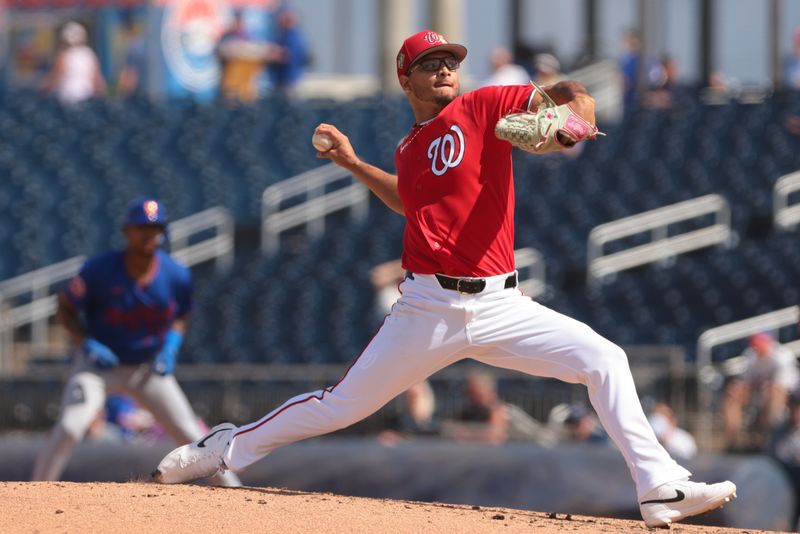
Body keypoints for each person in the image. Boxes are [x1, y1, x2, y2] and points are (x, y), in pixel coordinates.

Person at [153, 30, 736, 528]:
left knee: (605, 359)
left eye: (451, 63)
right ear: (406, 78)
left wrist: (571, 119)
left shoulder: (482, 108)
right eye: (432, 65)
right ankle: (224, 447)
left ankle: (659, 486)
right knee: (341, 407)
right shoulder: (411, 146)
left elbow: (569, 98)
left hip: (502, 303)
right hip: (427, 307)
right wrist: (355, 164)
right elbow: (409, 201)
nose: (445, 71)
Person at [31, 198, 240, 487]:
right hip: (98, 366)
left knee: (192, 433)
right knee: (70, 425)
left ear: (164, 234)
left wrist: (171, 346)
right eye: (142, 228)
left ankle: (237, 493)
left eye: (155, 229)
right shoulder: (98, 270)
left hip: (147, 367)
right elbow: (65, 308)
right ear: (127, 231)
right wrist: (85, 342)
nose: (149, 235)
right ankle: (37, 491)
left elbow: (182, 316)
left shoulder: (176, 274)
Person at [722, 332, 799, 452]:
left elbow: (784, 387)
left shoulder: (782, 356)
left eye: (759, 344)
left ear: (768, 343)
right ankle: (733, 441)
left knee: (772, 393)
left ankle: (767, 441)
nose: (756, 348)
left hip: (786, 397)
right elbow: (746, 382)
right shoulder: (751, 355)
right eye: (755, 345)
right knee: (733, 395)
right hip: (758, 393)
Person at [40, 21, 106, 105]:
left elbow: (55, 77)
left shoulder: (64, 54)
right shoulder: (89, 54)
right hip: (86, 98)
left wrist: (43, 88)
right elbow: (98, 81)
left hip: (68, 100)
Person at [377, 380, 439, 446]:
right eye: (408, 396)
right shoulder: (397, 420)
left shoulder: (434, 425)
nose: (411, 400)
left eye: (414, 397)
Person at [267, 8, 308, 94]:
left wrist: (274, 54)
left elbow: (288, 56)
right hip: (280, 79)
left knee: (287, 102)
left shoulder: (294, 36)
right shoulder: (282, 34)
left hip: (289, 80)